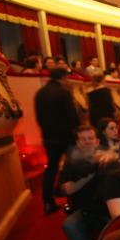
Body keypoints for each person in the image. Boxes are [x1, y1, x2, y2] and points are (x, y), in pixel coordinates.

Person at [59, 125, 114, 240]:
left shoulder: (109, 157)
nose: (87, 142)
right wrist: (93, 168)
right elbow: (65, 189)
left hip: (110, 208)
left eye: (90, 138)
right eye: (83, 139)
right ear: (78, 143)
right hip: (85, 210)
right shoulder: (71, 162)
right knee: (69, 225)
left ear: (96, 141)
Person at [34, 67, 80, 214]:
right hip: (66, 137)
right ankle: (73, 201)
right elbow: (73, 117)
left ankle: (47, 202)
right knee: (72, 168)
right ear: (62, 77)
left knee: (51, 169)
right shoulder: (63, 93)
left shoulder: (40, 93)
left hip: (49, 138)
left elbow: (39, 118)